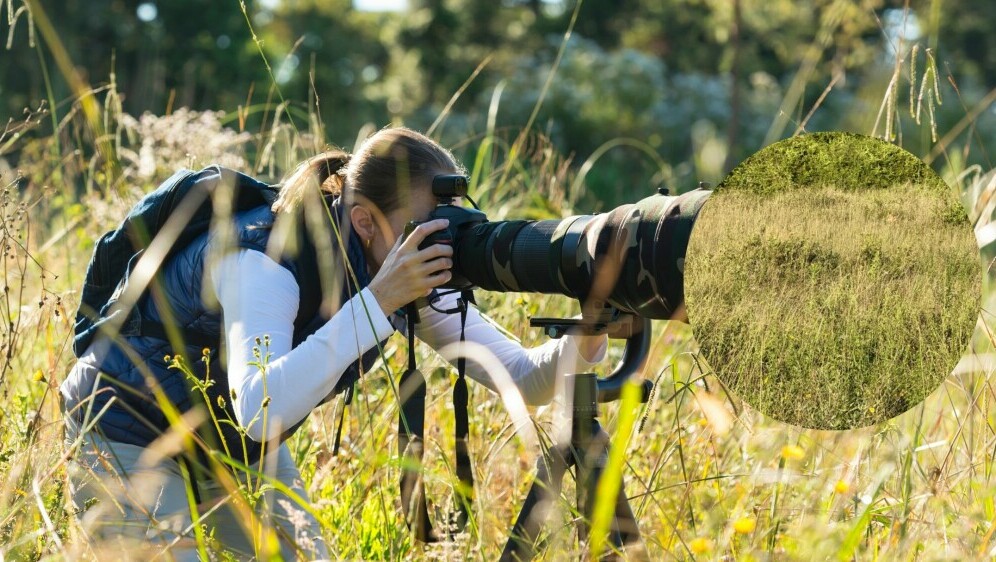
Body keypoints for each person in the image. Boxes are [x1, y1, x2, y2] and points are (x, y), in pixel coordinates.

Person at [60, 126, 607, 560]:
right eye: (423, 224)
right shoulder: (265, 261)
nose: (435, 239)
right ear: (365, 221)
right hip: (122, 425)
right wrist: (379, 302)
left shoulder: (397, 271)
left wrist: (591, 326)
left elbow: (525, 378)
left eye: (446, 222)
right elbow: (259, 410)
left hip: (230, 445)